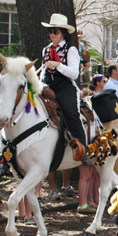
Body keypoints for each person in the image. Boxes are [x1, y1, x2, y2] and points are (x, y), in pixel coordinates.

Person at [40, 13, 86, 161]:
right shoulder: (46, 50)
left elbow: (74, 74)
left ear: (63, 33)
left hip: (64, 85)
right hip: (48, 84)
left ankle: (81, 147)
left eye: (55, 31)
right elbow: (43, 71)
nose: (52, 34)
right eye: (50, 31)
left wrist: (58, 65)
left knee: (71, 112)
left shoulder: (70, 50)